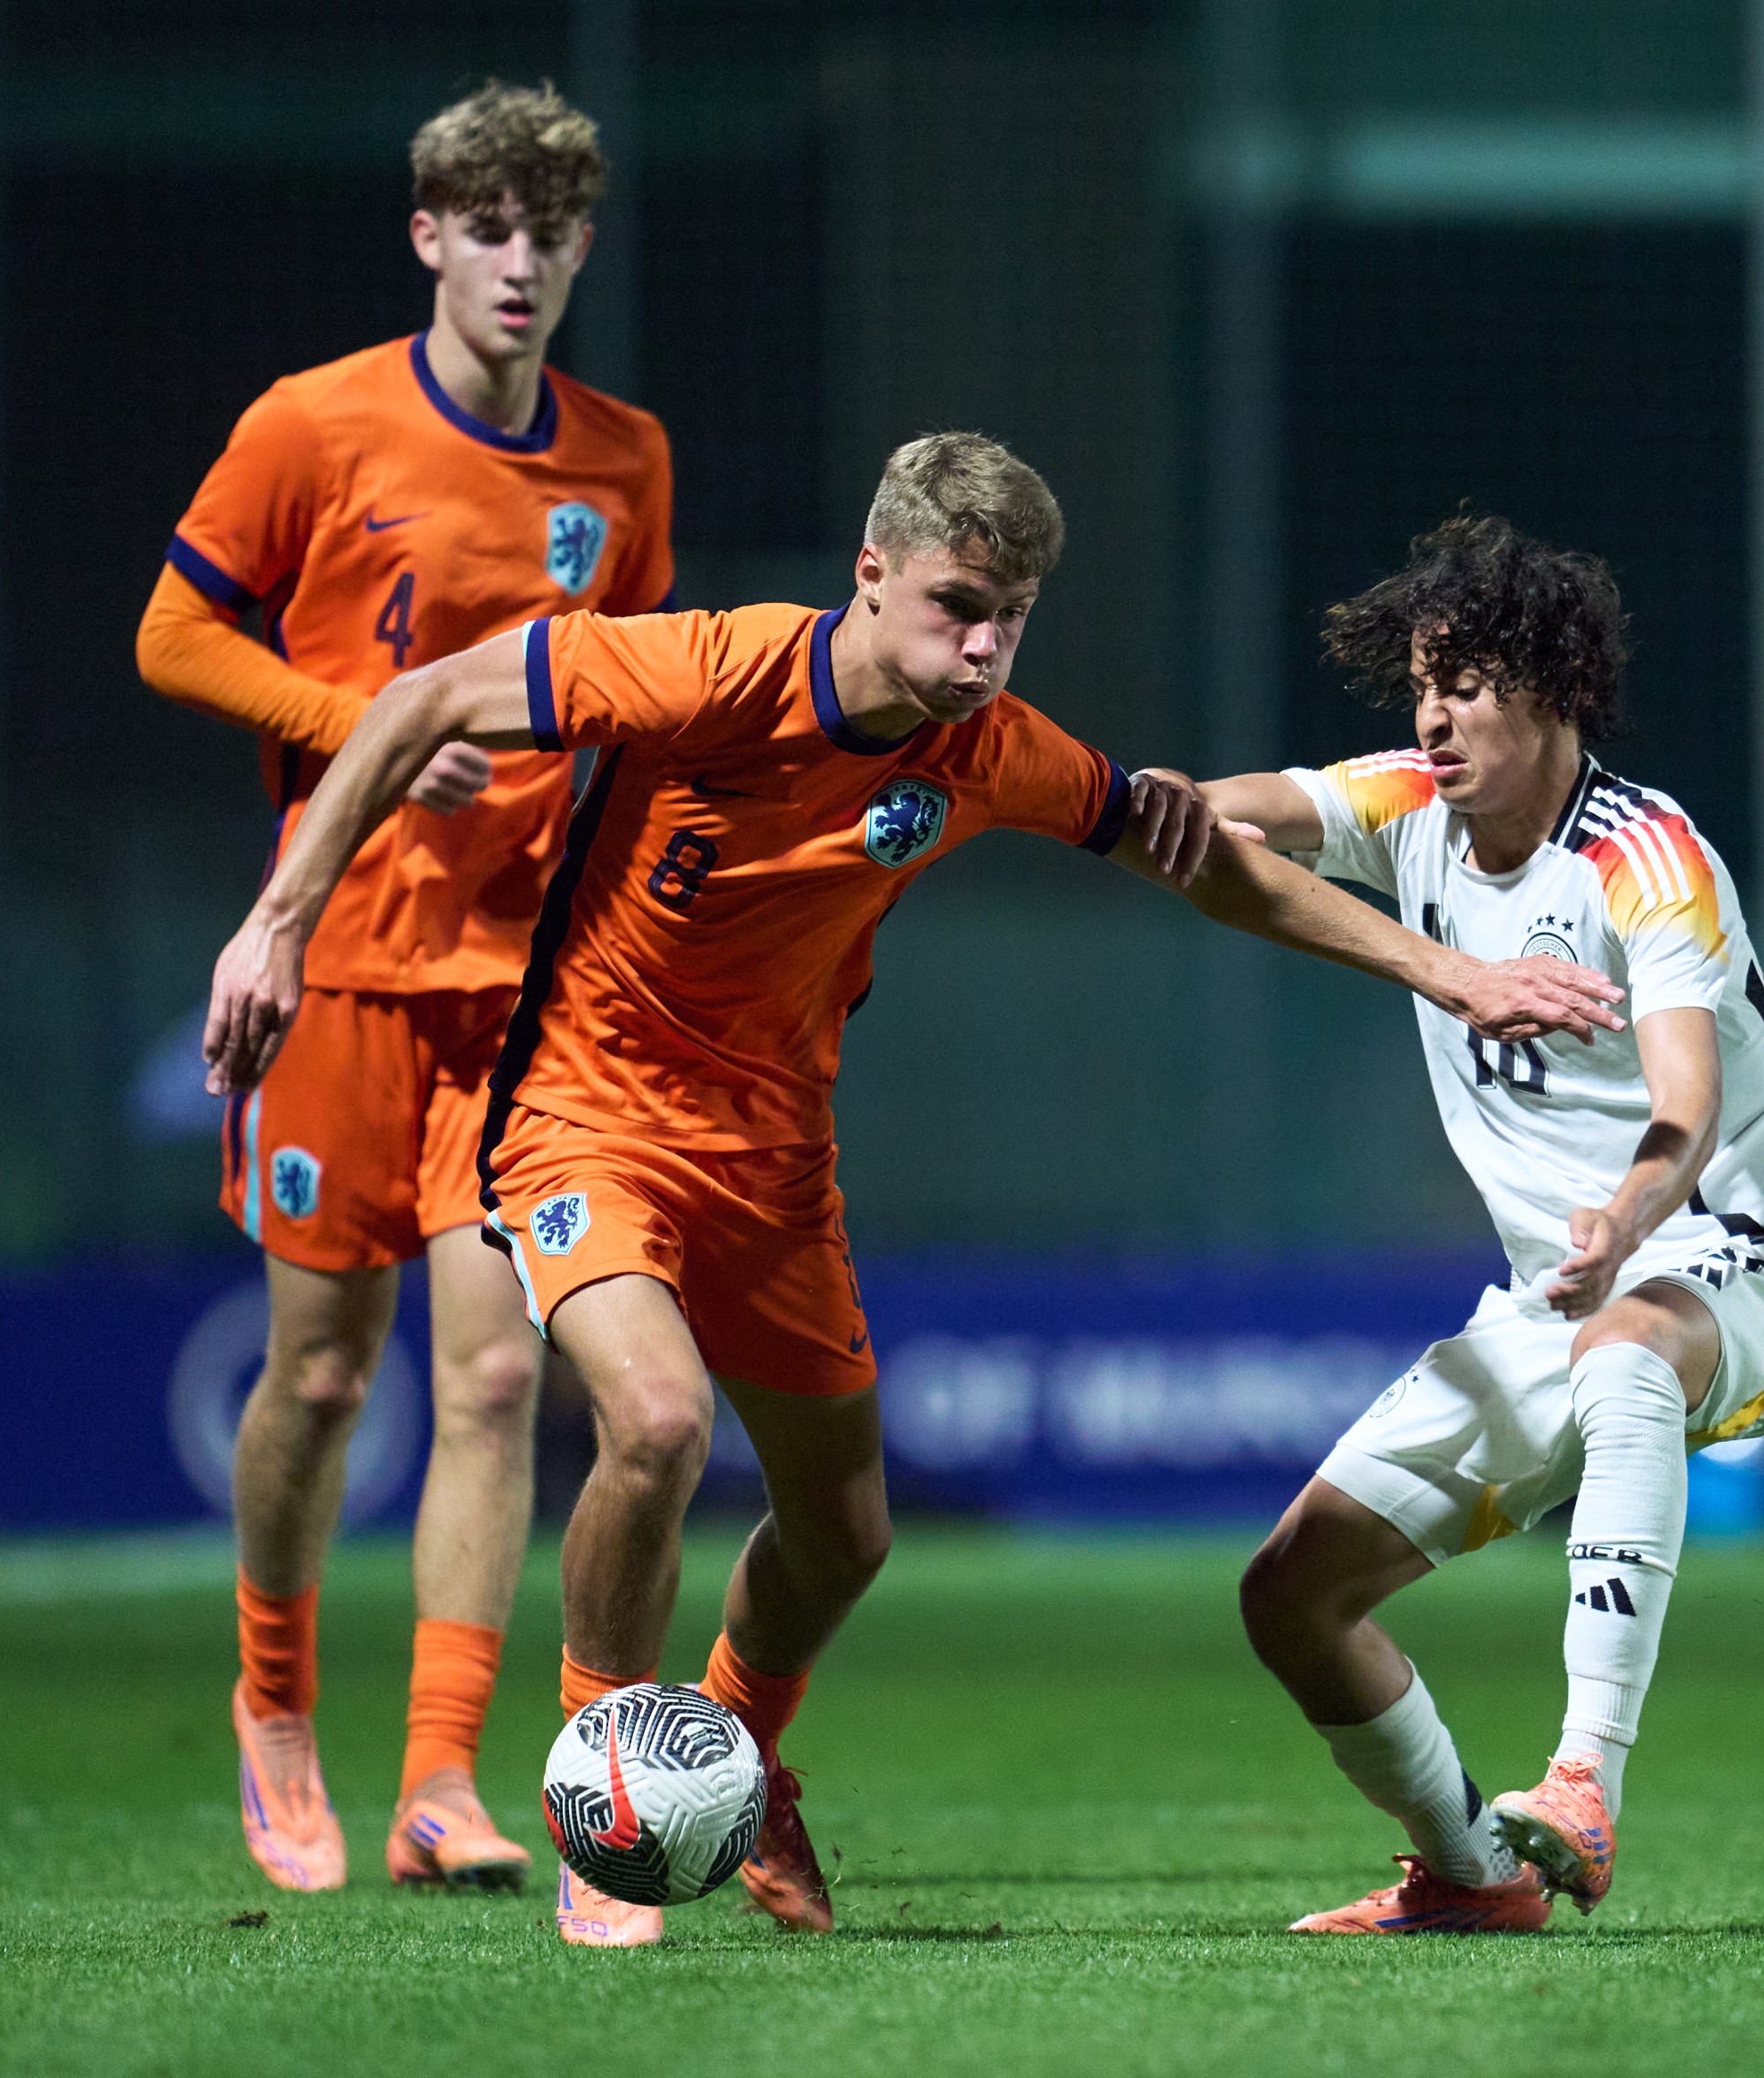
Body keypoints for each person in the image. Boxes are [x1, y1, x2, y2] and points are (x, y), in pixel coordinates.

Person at [198, 436, 1625, 1946]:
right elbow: (424, 698)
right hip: (585, 1118)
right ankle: (605, 1791)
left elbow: (1197, 858)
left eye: (1012, 613)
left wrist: (1449, 968)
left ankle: (729, 1759)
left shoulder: (989, 745)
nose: (985, 645)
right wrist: (280, 925)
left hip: (776, 1157)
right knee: (661, 1418)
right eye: (956, 604)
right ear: (868, 577)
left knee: (847, 1533)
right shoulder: (706, 669)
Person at [135, 80, 675, 1896]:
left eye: (554, 231)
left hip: (513, 997)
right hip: (345, 971)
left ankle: (439, 1777)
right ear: (429, 235)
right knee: (313, 1372)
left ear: (583, 246)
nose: (523, 262)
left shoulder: (624, 462)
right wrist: (354, 726)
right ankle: (275, 1700)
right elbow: (173, 630)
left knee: (502, 1379)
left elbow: (629, 718)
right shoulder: (316, 422)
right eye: (489, 227)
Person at [1198, 513, 1764, 1934]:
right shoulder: (1406, 805)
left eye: (1468, 684)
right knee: (1290, 1598)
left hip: (1742, 1265)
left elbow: (1682, 1096)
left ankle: (1582, 1780)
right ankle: (1469, 1872)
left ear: (1554, 690)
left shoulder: (1647, 856)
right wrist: (1090, 792)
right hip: (1554, 1297)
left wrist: (1625, 1214)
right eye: (1423, 683)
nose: (1433, 714)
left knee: (1630, 1348)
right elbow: (1205, 817)